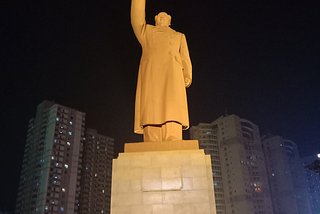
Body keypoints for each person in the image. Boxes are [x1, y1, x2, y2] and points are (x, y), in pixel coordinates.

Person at [131, 0, 192, 142]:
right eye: (159, 16)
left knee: (172, 105)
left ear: (170, 21)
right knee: (151, 105)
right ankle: (152, 136)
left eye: (165, 16)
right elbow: (136, 19)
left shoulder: (179, 36)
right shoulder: (147, 32)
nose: (162, 17)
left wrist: (187, 74)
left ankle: (173, 135)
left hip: (173, 73)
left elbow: (185, 58)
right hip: (152, 73)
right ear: (155, 20)